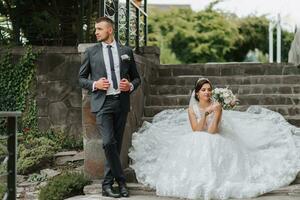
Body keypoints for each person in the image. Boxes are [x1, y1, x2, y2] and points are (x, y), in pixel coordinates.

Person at [129, 78, 300, 200]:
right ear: (197, 93)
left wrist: (212, 112)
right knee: (197, 141)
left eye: (209, 89)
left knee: (208, 142)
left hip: (215, 136)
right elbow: (196, 130)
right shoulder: (191, 109)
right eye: (203, 90)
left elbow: (212, 131)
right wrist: (204, 114)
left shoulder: (217, 106)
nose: (207, 92)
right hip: (197, 135)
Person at [79, 16, 141, 198]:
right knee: (108, 142)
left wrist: (130, 86)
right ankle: (121, 181)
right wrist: (95, 84)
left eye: (99, 29)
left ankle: (107, 185)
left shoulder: (126, 51)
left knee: (116, 145)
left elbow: (137, 78)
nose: (96, 32)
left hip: (121, 102)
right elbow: (81, 79)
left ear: (110, 30)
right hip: (103, 103)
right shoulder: (91, 52)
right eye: (95, 29)